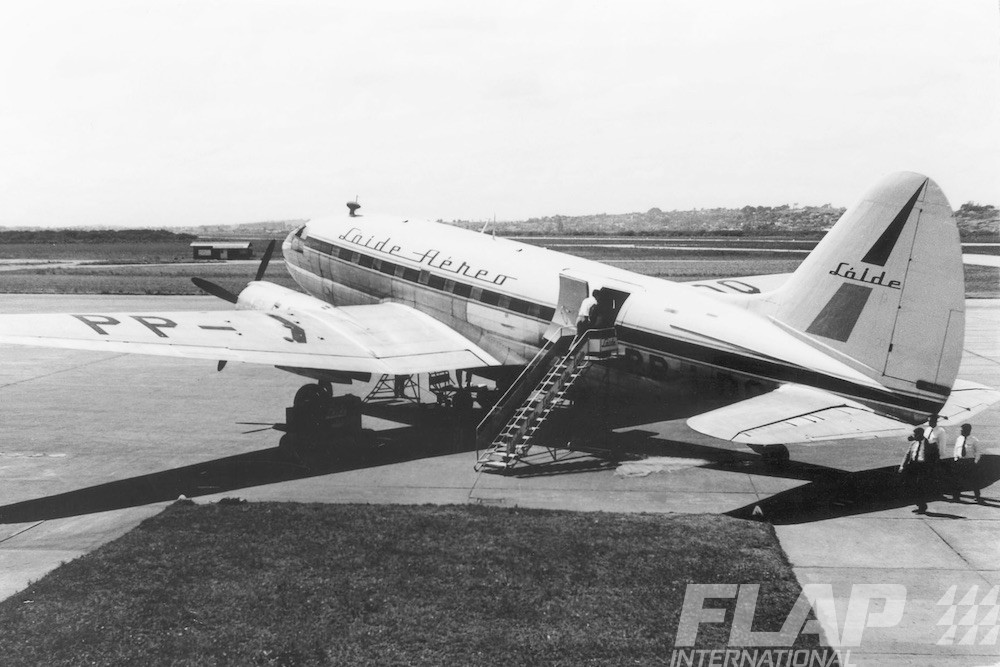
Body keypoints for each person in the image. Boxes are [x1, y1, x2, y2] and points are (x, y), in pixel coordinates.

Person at [899, 427, 932, 514]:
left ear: (920, 434)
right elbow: (907, 455)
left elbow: (933, 457)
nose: (913, 436)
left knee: (920, 486)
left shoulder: (928, 443)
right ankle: (919, 504)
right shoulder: (913, 443)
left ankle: (922, 506)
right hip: (913, 466)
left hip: (923, 466)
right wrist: (902, 466)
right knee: (913, 486)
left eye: (915, 434)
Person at [951, 423, 982, 503]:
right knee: (957, 479)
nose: (960, 431)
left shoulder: (974, 440)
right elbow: (956, 449)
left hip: (969, 462)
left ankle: (977, 496)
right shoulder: (959, 439)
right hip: (960, 461)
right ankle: (956, 497)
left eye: (962, 430)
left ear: (967, 430)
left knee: (973, 480)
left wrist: (975, 461)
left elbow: (978, 451)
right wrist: (955, 458)